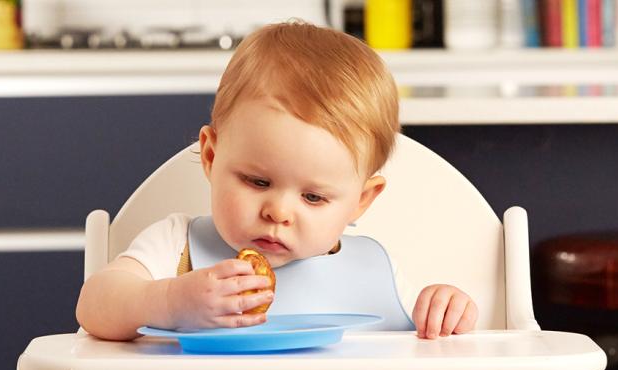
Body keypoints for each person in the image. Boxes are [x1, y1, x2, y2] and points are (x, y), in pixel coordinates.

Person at [75, 20, 478, 342]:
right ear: (212, 158)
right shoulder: (175, 248)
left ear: (361, 200)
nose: (279, 212)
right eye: (257, 181)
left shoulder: (376, 270)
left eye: (314, 197)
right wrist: (167, 301)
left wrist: (445, 314)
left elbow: (439, 358)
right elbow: (94, 307)